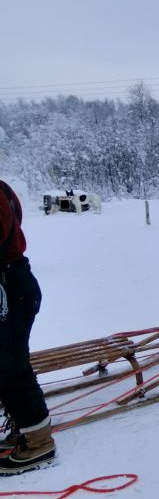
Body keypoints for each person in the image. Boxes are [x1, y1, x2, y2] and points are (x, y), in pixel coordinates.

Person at [0, 180, 55, 476]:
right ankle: (25, 427)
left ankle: (38, 442)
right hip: (13, 282)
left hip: (9, 285)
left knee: (9, 366)